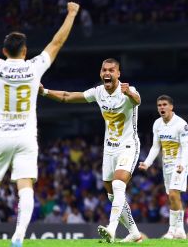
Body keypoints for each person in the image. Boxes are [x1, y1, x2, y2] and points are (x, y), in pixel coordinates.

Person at [0, 2, 80, 247]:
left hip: (1, 135)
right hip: (26, 136)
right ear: (24, 52)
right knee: (25, 186)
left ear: (3, 51)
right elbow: (57, 43)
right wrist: (72, 13)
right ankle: (19, 236)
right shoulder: (34, 67)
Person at [39, 58, 142, 243]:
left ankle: (111, 228)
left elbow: (137, 101)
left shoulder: (128, 90)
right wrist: (44, 91)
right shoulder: (99, 92)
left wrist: (129, 94)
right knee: (111, 194)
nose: (107, 73)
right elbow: (67, 96)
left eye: (112, 70)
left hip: (128, 146)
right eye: (104, 70)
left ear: (118, 73)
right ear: (100, 73)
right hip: (109, 148)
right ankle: (134, 232)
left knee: (119, 185)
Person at [139, 95, 188, 239]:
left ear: (171, 107)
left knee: (174, 193)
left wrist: (182, 164)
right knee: (173, 197)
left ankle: (176, 230)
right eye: (159, 105)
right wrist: (147, 163)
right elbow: (156, 147)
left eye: (164, 104)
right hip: (166, 164)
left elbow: (186, 147)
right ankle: (176, 231)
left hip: (179, 163)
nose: (161, 107)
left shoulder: (181, 124)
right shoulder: (157, 124)